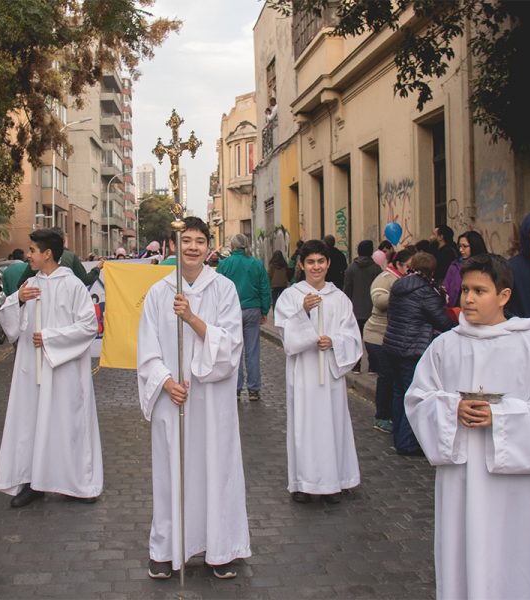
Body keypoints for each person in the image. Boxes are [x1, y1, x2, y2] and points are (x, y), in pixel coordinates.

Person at [405, 253, 530, 599]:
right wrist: (453, 409)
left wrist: (502, 416)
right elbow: (418, 399)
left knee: (517, 557)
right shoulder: (445, 346)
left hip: (518, 490)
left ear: (504, 296)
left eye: (480, 290)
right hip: (462, 479)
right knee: (463, 553)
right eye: (465, 289)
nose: (468, 298)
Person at [137, 217, 250, 580]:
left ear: (209, 247)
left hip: (212, 400)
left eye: (200, 241)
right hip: (176, 400)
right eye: (186, 240)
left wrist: (192, 318)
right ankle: (166, 548)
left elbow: (231, 345)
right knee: (173, 472)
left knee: (216, 468)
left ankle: (220, 549)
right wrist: (167, 383)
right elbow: (147, 349)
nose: (193, 247)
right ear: (175, 245)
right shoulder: (157, 293)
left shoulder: (224, 289)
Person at [0, 228, 103, 507]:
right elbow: (9, 319)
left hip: (63, 368)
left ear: (47, 254)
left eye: (32, 250)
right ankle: (33, 482)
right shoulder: (30, 284)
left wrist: (52, 338)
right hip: (33, 368)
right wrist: (18, 300)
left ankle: (74, 482)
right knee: (31, 422)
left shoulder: (74, 286)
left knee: (67, 423)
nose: (27, 255)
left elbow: (89, 326)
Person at [275, 239, 362, 504]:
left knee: (332, 425)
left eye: (320, 262)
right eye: (310, 262)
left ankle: (334, 480)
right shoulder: (291, 296)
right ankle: (304, 482)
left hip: (330, 373)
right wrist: (302, 313)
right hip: (304, 373)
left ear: (328, 264)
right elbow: (286, 335)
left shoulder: (340, 299)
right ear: (301, 265)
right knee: (304, 427)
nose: (316, 267)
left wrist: (333, 341)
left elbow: (352, 336)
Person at [382, 251, 456, 455]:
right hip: (412, 348)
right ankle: (406, 442)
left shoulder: (400, 285)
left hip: (394, 345)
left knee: (398, 393)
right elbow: (442, 321)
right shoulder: (425, 291)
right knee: (411, 394)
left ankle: (399, 435)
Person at [363, 248, 414, 433]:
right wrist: (404, 295)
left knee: (393, 376)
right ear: (399, 264)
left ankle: (392, 414)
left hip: (393, 336)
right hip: (377, 335)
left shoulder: (405, 279)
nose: (411, 270)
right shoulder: (386, 278)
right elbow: (378, 300)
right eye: (409, 266)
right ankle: (382, 416)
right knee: (387, 376)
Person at [216, 233, 271, 402]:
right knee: (252, 351)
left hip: (231, 311)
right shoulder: (256, 264)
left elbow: (215, 289)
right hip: (253, 309)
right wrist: (264, 310)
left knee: (234, 350)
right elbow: (264, 287)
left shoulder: (224, 265)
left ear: (232, 247)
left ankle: (236, 388)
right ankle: (254, 389)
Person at [343, 240, 382, 372]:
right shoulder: (376, 268)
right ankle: (372, 366)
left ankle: (356, 365)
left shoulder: (351, 268)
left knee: (356, 339)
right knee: (372, 339)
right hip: (373, 309)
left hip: (355, 309)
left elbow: (347, 289)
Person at [443, 231, 488, 308]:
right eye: (459, 246)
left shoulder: (485, 266)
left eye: (465, 246)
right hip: (455, 310)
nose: (461, 249)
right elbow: (446, 286)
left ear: (474, 246)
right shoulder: (454, 265)